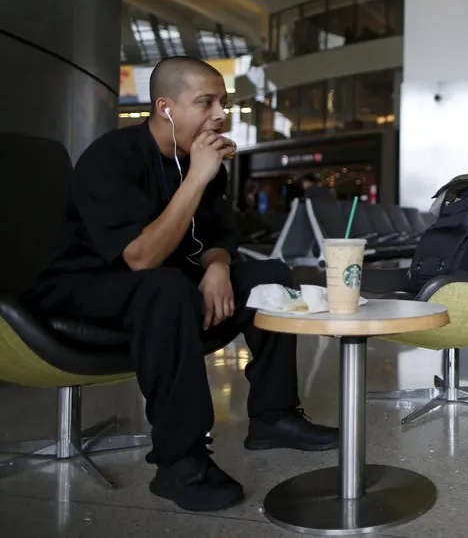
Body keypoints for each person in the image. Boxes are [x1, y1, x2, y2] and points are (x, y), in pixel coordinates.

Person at [20, 57, 338, 512]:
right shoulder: (113, 157)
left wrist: (218, 267)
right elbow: (141, 258)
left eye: (223, 103)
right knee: (165, 286)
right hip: (82, 286)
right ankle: (179, 463)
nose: (220, 114)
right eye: (205, 103)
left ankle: (275, 416)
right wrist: (197, 177)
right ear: (165, 107)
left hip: (159, 287)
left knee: (270, 276)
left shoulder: (202, 162)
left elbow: (217, 237)